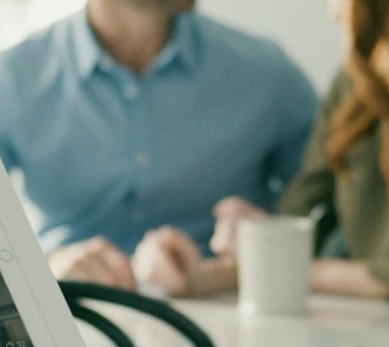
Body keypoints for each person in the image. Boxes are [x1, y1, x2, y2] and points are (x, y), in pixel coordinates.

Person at [0, 0, 318, 289]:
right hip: (72, 314)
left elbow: (330, 218)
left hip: (230, 327)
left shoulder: (268, 76)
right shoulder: (8, 79)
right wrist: (47, 264)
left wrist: (261, 242)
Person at [131, 0, 389, 299]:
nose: (333, 12)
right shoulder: (354, 87)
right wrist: (199, 273)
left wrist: (274, 259)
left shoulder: (268, 72)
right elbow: (301, 215)